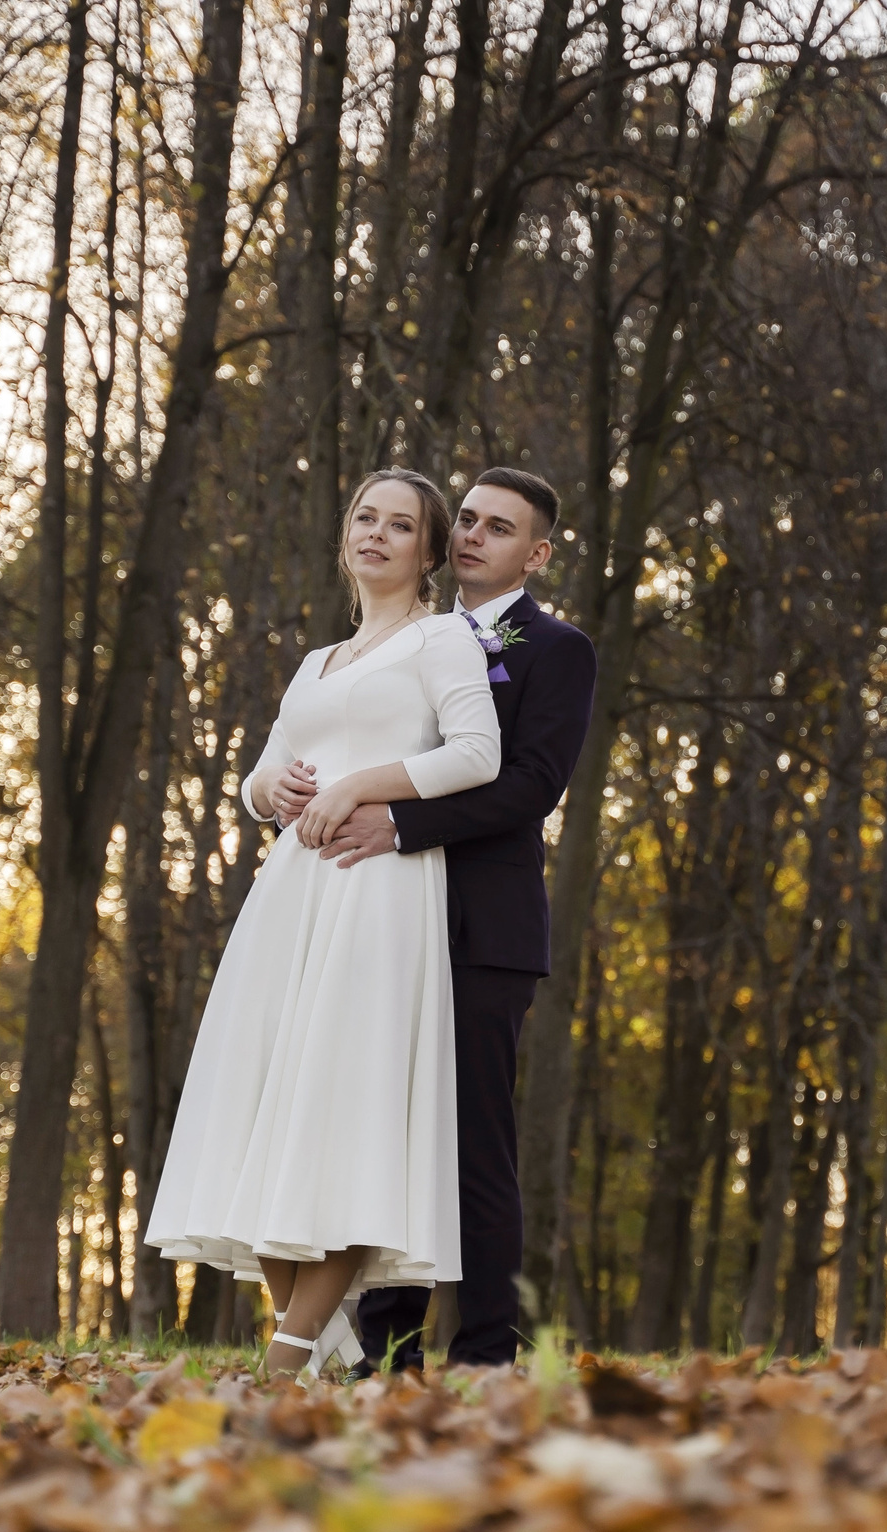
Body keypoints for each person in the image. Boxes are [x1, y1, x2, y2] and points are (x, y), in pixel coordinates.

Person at [143, 470, 501, 1378]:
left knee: (350, 1108)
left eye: (401, 524)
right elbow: (259, 778)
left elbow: (478, 753)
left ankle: (290, 1357)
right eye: (364, 518)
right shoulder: (317, 664)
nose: (377, 534)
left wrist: (354, 784)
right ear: (346, 536)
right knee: (266, 1105)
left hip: (377, 888)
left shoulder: (442, 640)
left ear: (428, 551)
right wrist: (278, 789)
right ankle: (324, 1347)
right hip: (293, 893)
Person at [318, 468, 597, 1370]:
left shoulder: (556, 649)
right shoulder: (407, 640)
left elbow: (529, 785)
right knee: (386, 1136)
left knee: (475, 1142)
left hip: (483, 927)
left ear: (537, 553)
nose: (475, 535)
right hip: (384, 918)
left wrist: (398, 824)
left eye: (500, 528)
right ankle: (387, 1352)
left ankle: (485, 1351)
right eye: (467, 519)